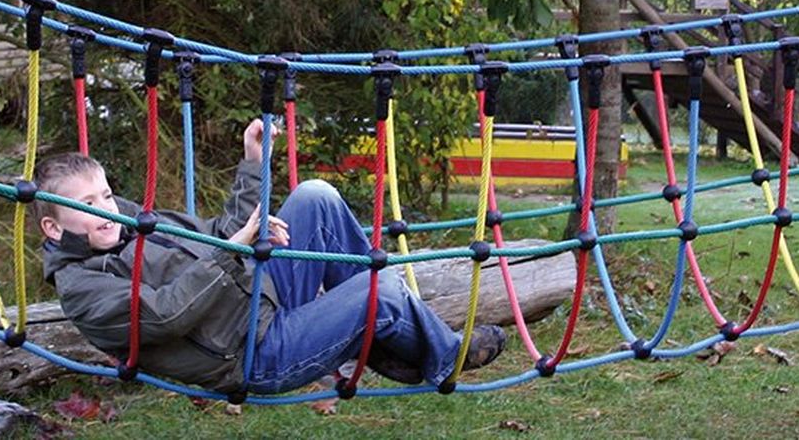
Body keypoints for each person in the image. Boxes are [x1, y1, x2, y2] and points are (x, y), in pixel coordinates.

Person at [38, 119, 505, 396]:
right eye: (88, 205)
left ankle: (378, 342)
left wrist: (252, 162)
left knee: (316, 196)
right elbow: (163, 316)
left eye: (105, 196)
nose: (106, 211)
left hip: (260, 299)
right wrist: (236, 250)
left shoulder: (136, 222)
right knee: (378, 292)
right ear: (54, 228)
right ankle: (443, 354)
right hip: (253, 354)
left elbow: (220, 234)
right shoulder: (83, 289)